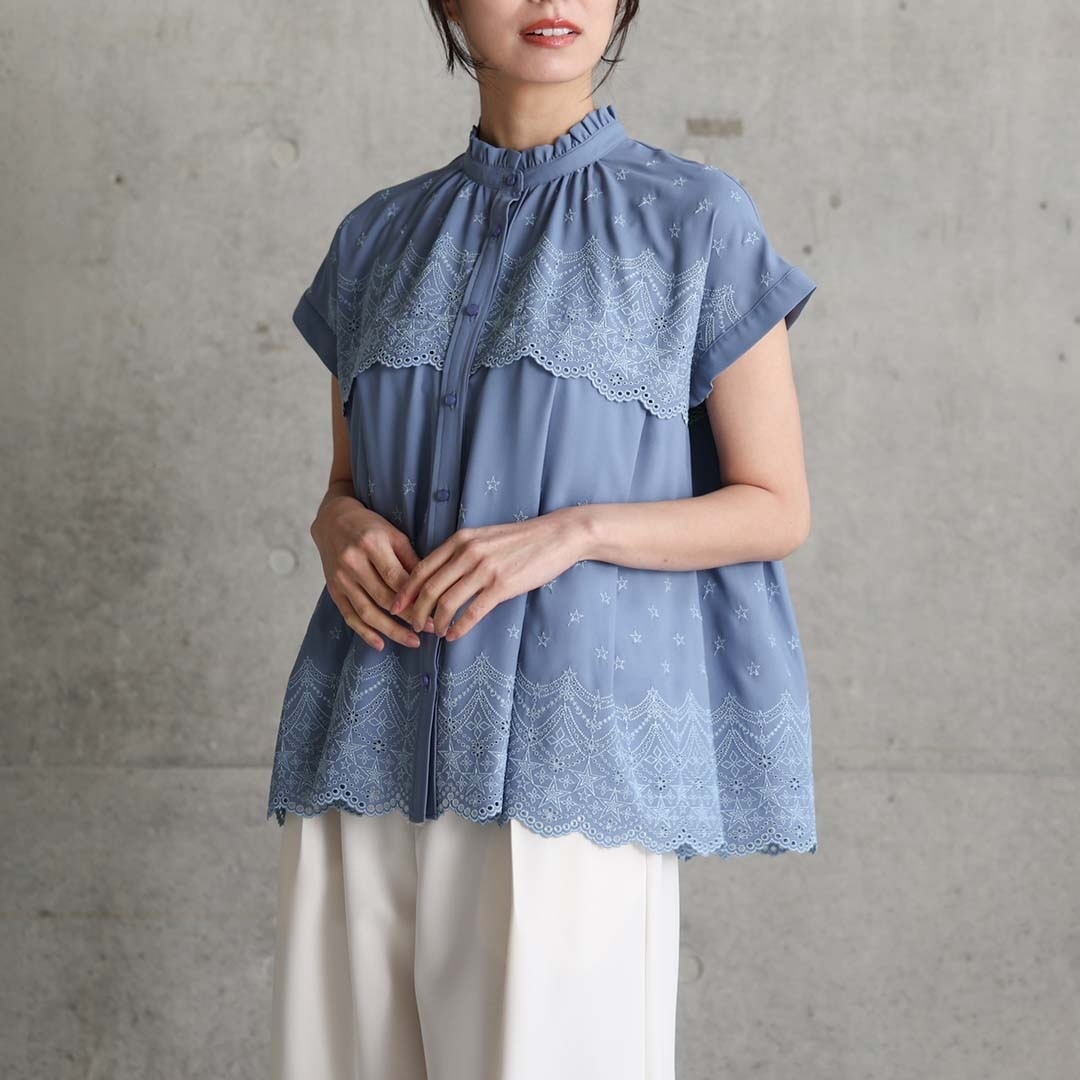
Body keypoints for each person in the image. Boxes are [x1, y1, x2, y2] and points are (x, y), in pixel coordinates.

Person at [268, 3, 821, 1078]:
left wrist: (573, 532)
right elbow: (344, 484)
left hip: (571, 770)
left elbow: (774, 505)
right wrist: (336, 523)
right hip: (365, 741)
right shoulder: (376, 237)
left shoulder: (696, 219)